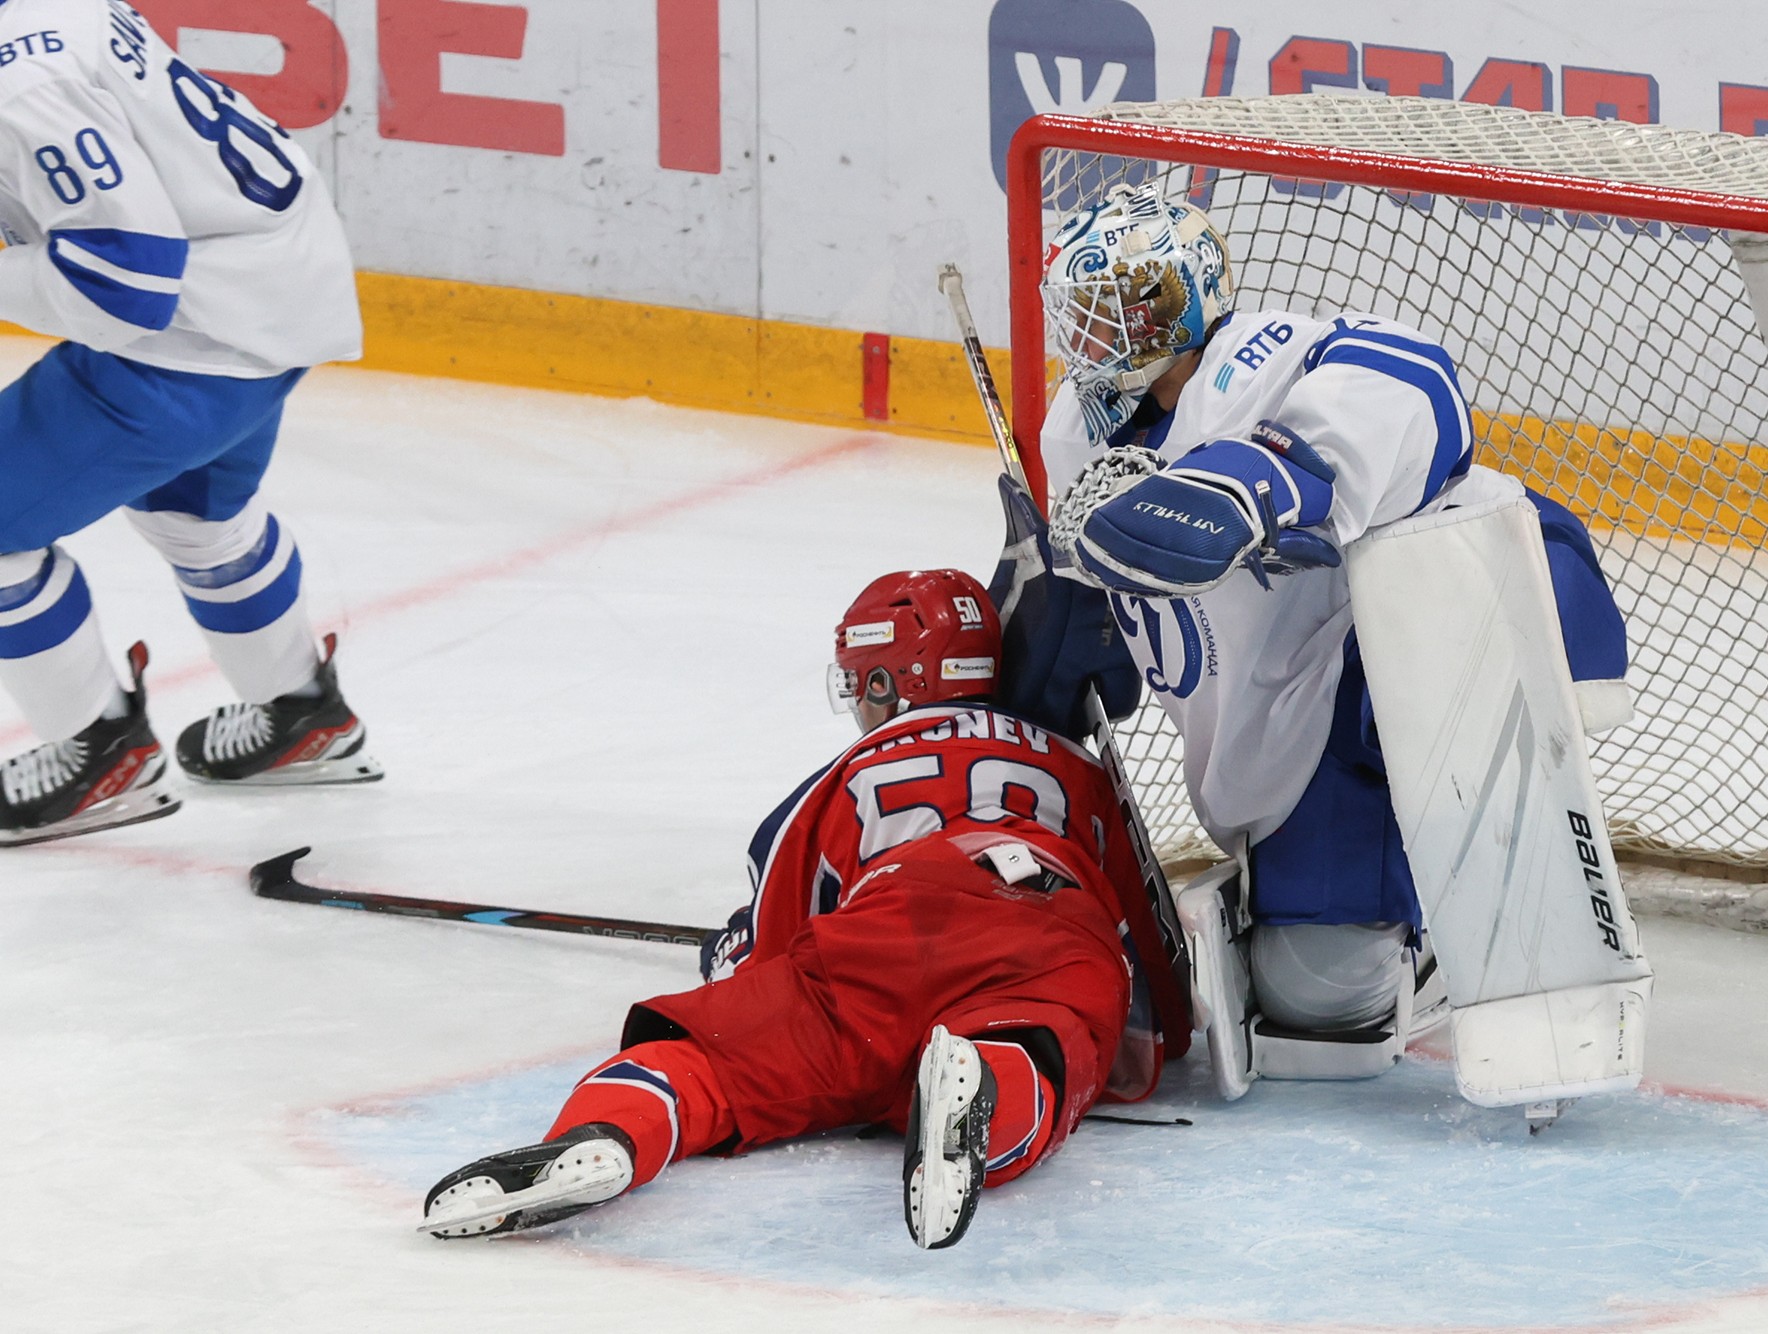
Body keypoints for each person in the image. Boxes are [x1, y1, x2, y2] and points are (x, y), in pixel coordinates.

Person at [1035, 183, 1652, 1123]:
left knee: (1432, 697)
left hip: (1476, 607)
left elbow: (1415, 377)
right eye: (1079, 310)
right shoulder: (1077, 437)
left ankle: (1490, 912)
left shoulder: (1263, 360)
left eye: (1118, 304)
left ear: (1182, 300)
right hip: (1289, 716)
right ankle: (1399, 904)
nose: (1092, 331)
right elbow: (1101, 621)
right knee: (1320, 1013)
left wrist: (1267, 475)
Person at [420, 570, 1188, 1249]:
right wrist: (1151, 1032)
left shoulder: (846, 771)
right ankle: (985, 1078)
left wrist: (731, 957)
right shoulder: (1080, 766)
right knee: (1046, 1049)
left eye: (863, 683)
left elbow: (772, 945)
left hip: (900, 910)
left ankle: (609, 1132)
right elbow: (1142, 927)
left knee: (716, 1058)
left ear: (890, 682)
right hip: (1054, 925)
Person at [0, 0, 378, 848]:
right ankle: (301, 718)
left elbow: (125, 284)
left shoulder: (22, 83)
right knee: (194, 516)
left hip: (191, 332)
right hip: (270, 288)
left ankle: (101, 759)